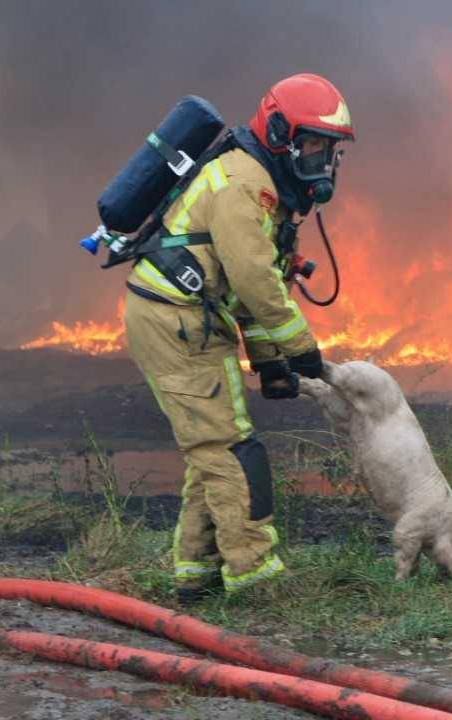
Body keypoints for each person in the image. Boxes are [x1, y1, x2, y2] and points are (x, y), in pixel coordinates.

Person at [121, 73, 354, 602]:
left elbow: (242, 288)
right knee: (230, 449)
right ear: (279, 134)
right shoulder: (243, 183)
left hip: (194, 318)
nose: (323, 161)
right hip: (176, 322)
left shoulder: (264, 188)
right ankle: (255, 577)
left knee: (214, 447)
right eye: (314, 145)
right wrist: (300, 348)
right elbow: (253, 279)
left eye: (330, 150)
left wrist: (270, 361)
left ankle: (196, 573)